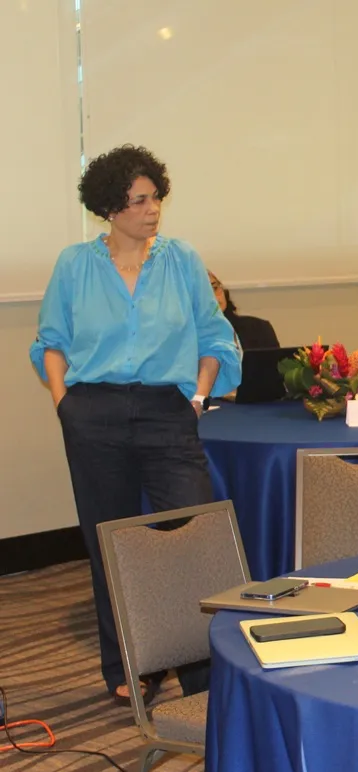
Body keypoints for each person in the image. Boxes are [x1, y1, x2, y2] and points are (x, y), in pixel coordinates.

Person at [29, 145, 241, 706]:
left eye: (156, 198)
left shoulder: (181, 260)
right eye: (139, 201)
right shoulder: (75, 265)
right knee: (112, 544)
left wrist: (198, 396)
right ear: (109, 208)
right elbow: (51, 342)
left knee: (193, 537)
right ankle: (129, 665)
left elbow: (214, 337)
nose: (153, 210)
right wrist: (65, 405)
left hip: (167, 411)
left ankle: (201, 673)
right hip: (92, 413)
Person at [210, 270, 280, 350]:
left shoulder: (259, 328)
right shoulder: (198, 337)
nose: (213, 296)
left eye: (215, 288)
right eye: (204, 292)